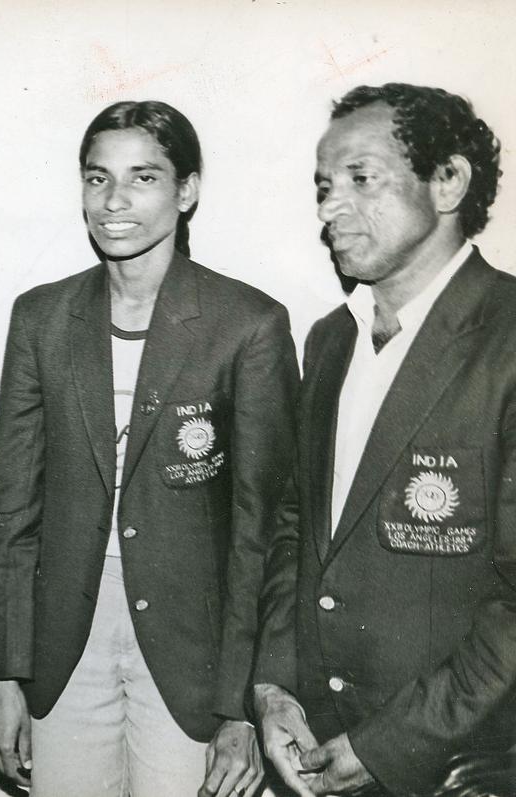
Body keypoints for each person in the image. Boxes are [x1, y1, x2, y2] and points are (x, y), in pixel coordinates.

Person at [0, 100, 299, 797]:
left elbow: (263, 531)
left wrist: (240, 703)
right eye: (97, 179)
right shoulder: (41, 317)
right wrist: (5, 673)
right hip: (66, 637)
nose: (114, 200)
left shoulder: (249, 324)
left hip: (194, 648)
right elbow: (13, 510)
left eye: (143, 178)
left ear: (186, 191)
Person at [254, 83, 513, 797]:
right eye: (323, 186)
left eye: (361, 179)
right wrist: (275, 689)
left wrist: (392, 744)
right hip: (321, 748)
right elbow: (295, 529)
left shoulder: (509, 338)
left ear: (449, 180)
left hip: (463, 765)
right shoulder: (330, 341)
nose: (331, 207)